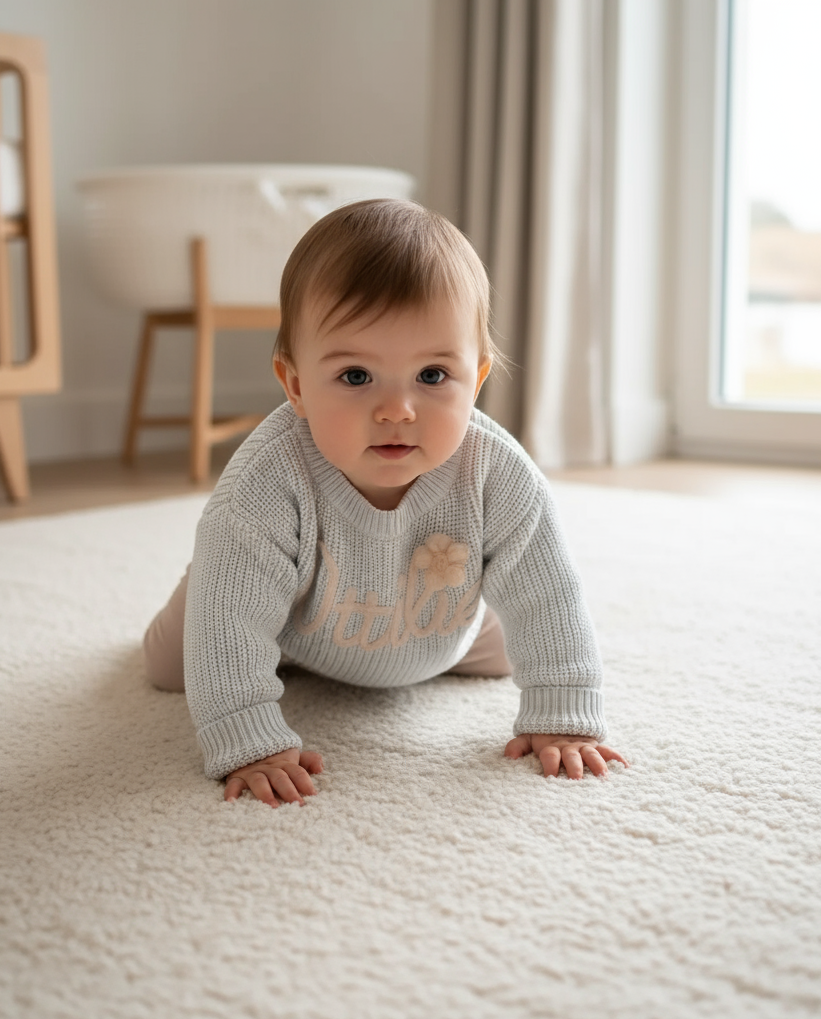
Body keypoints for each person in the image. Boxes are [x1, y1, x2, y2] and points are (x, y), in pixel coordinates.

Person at [143, 198, 627, 807]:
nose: (397, 410)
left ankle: (467, 623)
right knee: (178, 662)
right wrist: (249, 739)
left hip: (436, 626)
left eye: (431, 377)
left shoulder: (498, 474)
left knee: (523, 639)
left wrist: (563, 710)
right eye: (354, 377)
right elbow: (227, 637)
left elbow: (548, 592)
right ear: (296, 385)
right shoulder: (265, 485)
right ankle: (215, 579)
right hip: (295, 618)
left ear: (474, 382)